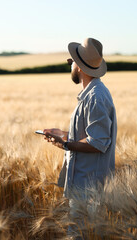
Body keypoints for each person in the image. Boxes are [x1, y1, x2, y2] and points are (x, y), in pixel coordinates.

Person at [43, 38, 117, 238]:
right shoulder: (90, 94)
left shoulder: (96, 97)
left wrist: (66, 144)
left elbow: (98, 142)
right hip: (82, 184)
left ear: (80, 68)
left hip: (89, 187)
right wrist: (62, 135)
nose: (71, 65)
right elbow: (88, 136)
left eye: (72, 62)